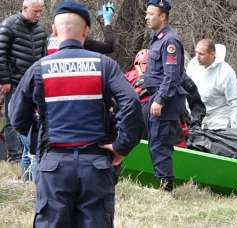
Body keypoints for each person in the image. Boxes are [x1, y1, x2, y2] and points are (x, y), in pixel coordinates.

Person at [9, 2, 144, 227]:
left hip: (54, 166)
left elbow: (16, 116)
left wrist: (40, 139)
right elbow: (131, 102)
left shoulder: (39, 68)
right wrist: (122, 146)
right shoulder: (105, 65)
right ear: (86, 31)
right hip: (96, 166)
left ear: (53, 29)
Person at [143, 0, 187, 192]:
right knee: (154, 143)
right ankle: (163, 184)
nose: (146, 17)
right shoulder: (158, 39)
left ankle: (166, 188)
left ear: (163, 16)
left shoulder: (170, 41)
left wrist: (160, 100)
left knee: (160, 145)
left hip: (165, 101)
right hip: (155, 97)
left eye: (151, 14)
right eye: (146, 13)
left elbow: (171, 75)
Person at [0, 0, 47, 176]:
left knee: (32, 118)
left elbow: (43, 57)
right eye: (35, 11)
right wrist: (4, 80)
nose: (38, 15)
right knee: (12, 118)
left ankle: (28, 154)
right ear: (24, 8)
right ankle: (15, 156)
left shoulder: (41, 30)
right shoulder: (8, 25)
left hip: (34, 82)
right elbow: (1, 54)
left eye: (41, 11)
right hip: (14, 80)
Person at [187, 39, 237, 130]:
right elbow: (186, 91)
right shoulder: (193, 66)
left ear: (212, 54)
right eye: (196, 53)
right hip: (196, 120)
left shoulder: (226, 72)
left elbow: (234, 101)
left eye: (201, 54)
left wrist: (235, 129)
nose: (197, 57)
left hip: (219, 123)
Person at [48, 1, 115, 55]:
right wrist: (107, 23)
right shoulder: (82, 42)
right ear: (86, 30)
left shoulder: (48, 41)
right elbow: (108, 47)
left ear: (54, 29)